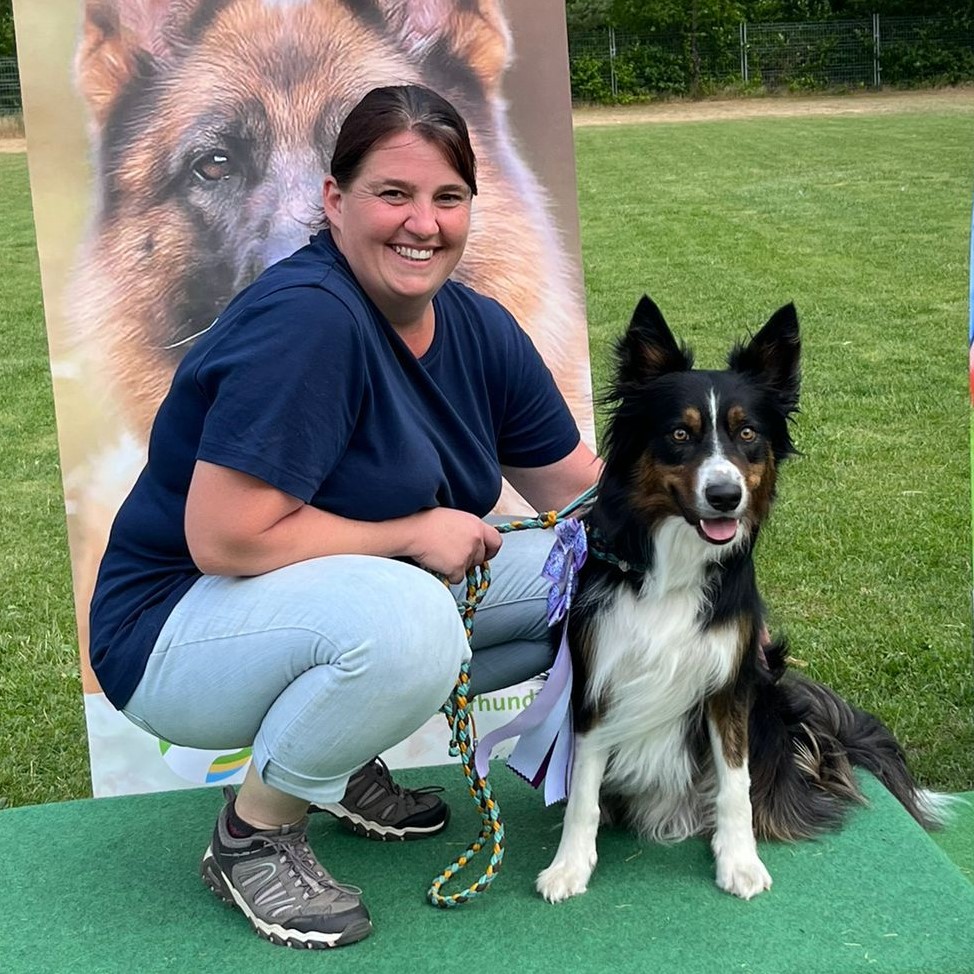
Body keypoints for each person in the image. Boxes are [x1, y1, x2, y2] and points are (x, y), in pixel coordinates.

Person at [88, 84, 599, 949]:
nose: (423, 223)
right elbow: (224, 537)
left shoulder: (476, 326)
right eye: (392, 194)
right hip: (170, 631)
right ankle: (254, 836)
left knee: (591, 576)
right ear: (335, 200)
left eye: (447, 198)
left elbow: (582, 495)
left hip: (303, 607)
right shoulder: (308, 321)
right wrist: (410, 532)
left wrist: (700, 489)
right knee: (411, 623)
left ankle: (336, 759)